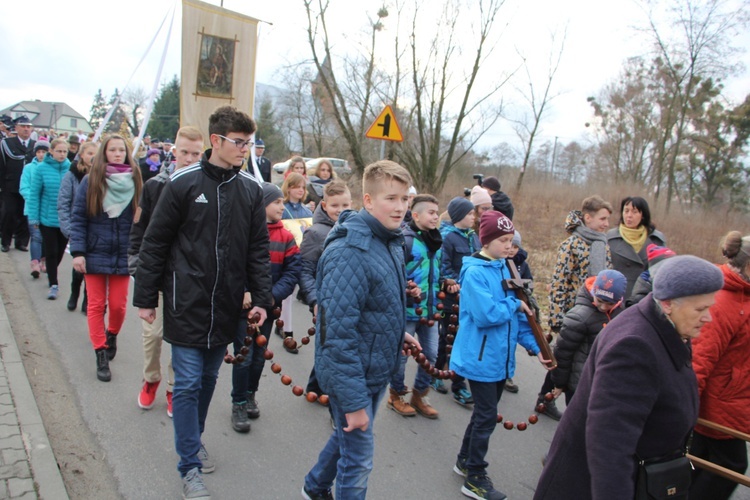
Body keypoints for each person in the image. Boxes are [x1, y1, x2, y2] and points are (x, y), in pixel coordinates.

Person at [133, 106, 272, 500]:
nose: (246, 149)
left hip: (227, 305)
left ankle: (193, 440)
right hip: (185, 300)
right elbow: (155, 241)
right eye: (239, 142)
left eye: (250, 142)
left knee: (209, 380)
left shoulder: (250, 190)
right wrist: (145, 297)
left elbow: (258, 250)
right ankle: (189, 465)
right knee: (190, 381)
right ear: (217, 141)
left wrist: (261, 298)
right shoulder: (182, 184)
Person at [534, 255, 724, 500]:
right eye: (700, 309)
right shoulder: (635, 346)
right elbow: (610, 445)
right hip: (591, 486)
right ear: (668, 303)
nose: (708, 317)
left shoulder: (668, 328)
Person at [302, 160, 421, 500]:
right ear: (368, 201)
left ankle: (313, 487)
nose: (400, 207)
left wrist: (398, 333)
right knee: (358, 460)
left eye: (404, 199)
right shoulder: (349, 252)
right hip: (350, 375)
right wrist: (354, 402)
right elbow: (336, 336)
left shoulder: (389, 240)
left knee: (345, 438)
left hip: (373, 368)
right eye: (391, 198)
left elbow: (377, 306)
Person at [451, 210, 551, 500]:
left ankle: (464, 460)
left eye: (511, 240)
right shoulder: (474, 272)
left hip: (498, 359)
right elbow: (487, 315)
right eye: (504, 240)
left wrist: (535, 347)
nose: (510, 246)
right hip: (479, 358)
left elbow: (518, 316)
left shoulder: (505, 267)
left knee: (484, 414)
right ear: (487, 241)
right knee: (485, 416)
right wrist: (515, 307)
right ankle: (475, 477)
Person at [128, 126, 205, 417]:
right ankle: (151, 379)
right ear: (174, 151)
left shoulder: (204, 187)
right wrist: (137, 266)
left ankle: (174, 388)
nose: (188, 158)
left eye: (195, 154)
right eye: (184, 152)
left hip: (189, 278)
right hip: (158, 274)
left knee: (182, 339)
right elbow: (140, 230)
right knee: (154, 335)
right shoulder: (155, 186)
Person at [70, 134, 142, 382]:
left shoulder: (135, 181)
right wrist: (78, 252)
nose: (118, 153)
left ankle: (112, 333)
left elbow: (141, 219)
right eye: (112, 150)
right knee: (95, 304)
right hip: (94, 251)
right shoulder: (92, 181)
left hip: (123, 253)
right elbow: (78, 217)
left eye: (121, 150)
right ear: (104, 152)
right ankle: (100, 352)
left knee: (119, 305)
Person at [230, 182, 300, 433]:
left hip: (269, 308)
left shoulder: (286, 237)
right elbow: (235, 265)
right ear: (261, 205)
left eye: (283, 201)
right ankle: (237, 402)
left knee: (259, 357)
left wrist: (272, 297)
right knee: (244, 356)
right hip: (245, 308)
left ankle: (250, 394)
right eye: (277, 202)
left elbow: (293, 271)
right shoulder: (245, 233)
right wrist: (245, 292)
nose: (282, 206)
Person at [537, 195, 612, 420]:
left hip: (596, 312)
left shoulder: (602, 244)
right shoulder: (571, 245)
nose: (606, 224)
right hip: (574, 313)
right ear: (587, 218)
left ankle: (549, 399)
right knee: (564, 358)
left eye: (608, 219)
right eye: (602, 218)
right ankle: (547, 399)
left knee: (581, 361)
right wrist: (557, 319)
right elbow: (560, 282)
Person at [690, 231, 750, 499]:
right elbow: (700, 358)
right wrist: (686, 409)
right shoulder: (725, 300)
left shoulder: (743, 294)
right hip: (720, 403)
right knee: (731, 466)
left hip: (731, 397)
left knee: (696, 460)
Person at [387, 194, 442, 419]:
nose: (436, 217)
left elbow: (439, 269)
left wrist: (447, 281)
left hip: (430, 310)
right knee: (402, 356)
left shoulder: (437, 240)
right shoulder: (405, 240)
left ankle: (420, 395)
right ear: (416, 215)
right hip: (408, 310)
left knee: (431, 353)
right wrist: (407, 292)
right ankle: (396, 394)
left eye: (437, 213)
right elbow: (394, 275)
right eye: (431, 213)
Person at [298, 180, 352, 402]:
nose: (340, 211)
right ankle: (326, 393)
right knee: (330, 348)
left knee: (334, 348)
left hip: (348, 299)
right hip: (326, 301)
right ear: (324, 205)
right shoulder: (316, 233)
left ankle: (316, 386)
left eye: (345, 205)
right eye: (335, 206)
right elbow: (304, 270)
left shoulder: (354, 229)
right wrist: (314, 300)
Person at [550, 269, 626, 404]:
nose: (603, 307)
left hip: (604, 384)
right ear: (593, 292)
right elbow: (563, 353)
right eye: (600, 300)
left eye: (610, 304)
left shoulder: (621, 314)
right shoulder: (579, 316)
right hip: (580, 383)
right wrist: (560, 383)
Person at [436, 197, 479, 405]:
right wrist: (455, 284)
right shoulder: (447, 237)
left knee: (465, 339)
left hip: (471, 297)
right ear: (459, 216)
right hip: (453, 296)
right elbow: (443, 267)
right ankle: (438, 374)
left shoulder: (473, 237)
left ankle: (458, 383)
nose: (474, 217)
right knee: (448, 336)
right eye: (470, 214)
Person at [26, 139, 71, 300]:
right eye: (59, 151)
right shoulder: (41, 169)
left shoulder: (70, 169)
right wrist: (34, 218)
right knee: (51, 251)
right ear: (51, 151)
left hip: (65, 220)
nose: (62, 154)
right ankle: (54, 284)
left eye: (65, 152)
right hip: (47, 219)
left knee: (59, 252)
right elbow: (35, 194)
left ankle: (51, 270)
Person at [58, 141, 97, 313]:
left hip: (96, 230)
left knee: (93, 267)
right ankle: (75, 293)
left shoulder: (103, 176)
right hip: (78, 227)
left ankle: (88, 299)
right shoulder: (72, 175)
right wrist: (69, 230)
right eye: (89, 153)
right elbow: (64, 203)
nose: (93, 157)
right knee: (79, 265)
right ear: (82, 155)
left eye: (96, 154)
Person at [278, 172, 313, 352]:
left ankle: (283, 325)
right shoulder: (281, 208)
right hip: (285, 255)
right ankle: (287, 332)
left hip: (301, 256)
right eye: (296, 186)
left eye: (303, 187)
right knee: (286, 295)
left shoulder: (307, 211)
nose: (300, 190)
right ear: (289, 188)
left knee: (294, 294)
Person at [607, 196, 666, 300]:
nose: (629, 216)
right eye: (626, 211)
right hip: (616, 297)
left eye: (634, 212)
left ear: (643, 215)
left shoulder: (656, 240)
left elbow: (662, 273)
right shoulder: (610, 238)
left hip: (644, 297)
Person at [502, 230, 533, 394]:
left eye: (515, 246)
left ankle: (507, 374)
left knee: (511, 342)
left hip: (518, 306)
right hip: (504, 304)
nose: (512, 249)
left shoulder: (522, 264)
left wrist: (526, 290)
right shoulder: (500, 261)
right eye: (510, 245)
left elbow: (529, 282)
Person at [0, 115, 35, 252]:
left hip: (29, 187)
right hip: (11, 185)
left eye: (28, 126)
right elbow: (2, 165)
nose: (26, 129)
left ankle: (21, 242)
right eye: (23, 126)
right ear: (16, 128)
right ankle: (6, 242)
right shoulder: (7, 143)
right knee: (9, 213)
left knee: (25, 215)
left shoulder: (34, 145)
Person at [19, 140, 49, 278]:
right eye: (39, 152)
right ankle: (35, 262)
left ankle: (44, 259)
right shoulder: (29, 168)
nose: (41, 154)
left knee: (46, 237)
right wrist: (34, 198)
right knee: (36, 236)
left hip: (47, 208)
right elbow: (24, 187)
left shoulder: (51, 168)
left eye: (44, 152)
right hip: (32, 207)